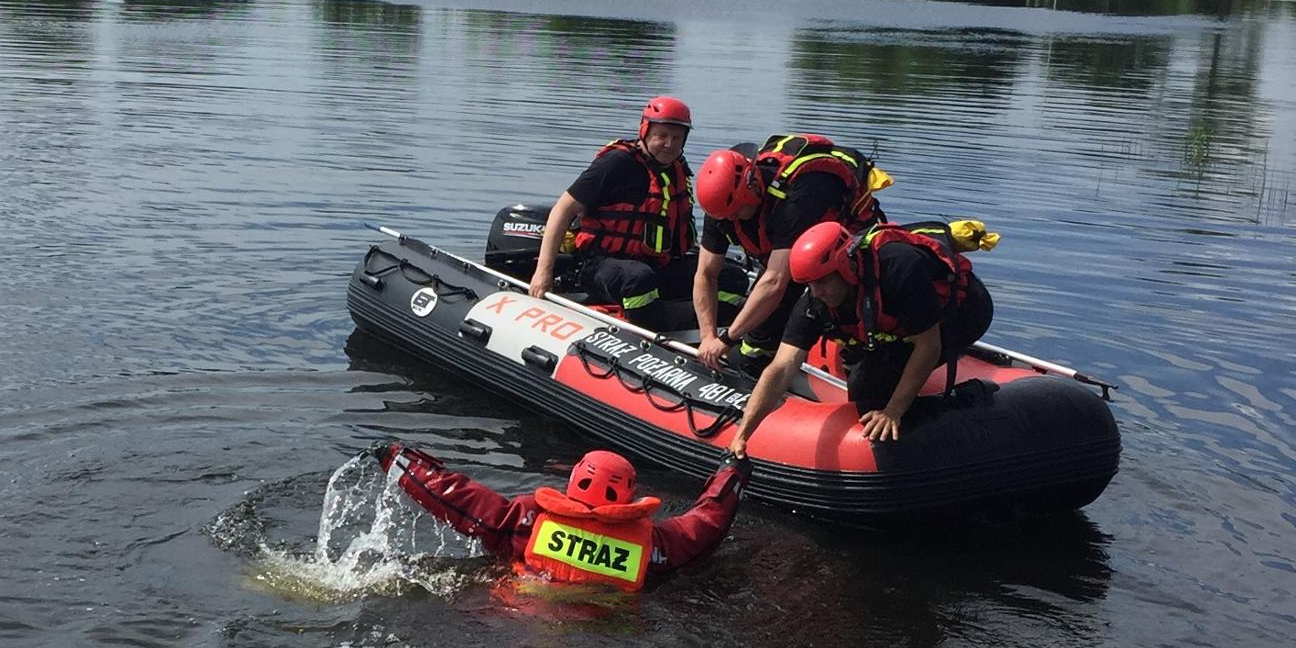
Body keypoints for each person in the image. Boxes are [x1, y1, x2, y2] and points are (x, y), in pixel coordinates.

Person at [725, 221, 994, 458]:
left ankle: (946, 422)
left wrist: (893, 410)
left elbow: (928, 346)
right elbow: (782, 366)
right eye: (810, 284)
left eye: (822, 282)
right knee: (862, 383)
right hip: (893, 318)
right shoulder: (815, 301)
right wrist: (744, 433)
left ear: (845, 266)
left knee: (871, 389)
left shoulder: (899, 268)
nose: (817, 293)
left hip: (963, 313)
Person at [371, 444, 747, 593]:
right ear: (628, 493)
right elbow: (706, 525)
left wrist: (401, 462)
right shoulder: (654, 546)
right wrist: (732, 473)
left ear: (574, 481)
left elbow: (460, 501)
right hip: (608, 633)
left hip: (522, 615)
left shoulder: (527, 521)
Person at [692, 134, 885, 375]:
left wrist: (727, 339)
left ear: (753, 188)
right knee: (755, 344)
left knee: (840, 317)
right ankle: (766, 366)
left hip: (843, 257)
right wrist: (708, 337)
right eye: (725, 216)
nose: (731, 220)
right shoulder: (722, 206)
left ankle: (855, 361)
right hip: (788, 256)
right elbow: (706, 273)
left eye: (736, 213)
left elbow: (775, 280)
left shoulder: (798, 197)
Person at [528, 97, 696, 332]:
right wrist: (543, 271)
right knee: (639, 278)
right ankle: (650, 332)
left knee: (728, 277)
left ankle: (700, 331)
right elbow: (562, 210)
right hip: (600, 266)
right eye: (662, 136)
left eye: (677, 138)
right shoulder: (617, 163)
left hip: (656, 265)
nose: (669, 144)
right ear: (645, 131)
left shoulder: (677, 170)